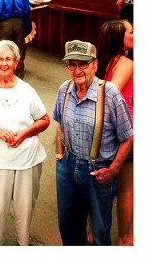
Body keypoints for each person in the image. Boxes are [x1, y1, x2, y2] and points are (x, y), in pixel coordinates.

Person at [52, 39, 133, 246]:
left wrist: (113, 170)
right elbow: (59, 123)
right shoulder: (64, 89)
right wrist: (60, 156)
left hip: (97, 171)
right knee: (68, 227)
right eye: (72, 64)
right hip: (67, 167)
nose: (77, 70)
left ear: (95, 65)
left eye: (83, 64)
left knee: (99, 233)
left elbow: (128, 136)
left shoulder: (110, 93)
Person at [0, 40, 50, 246]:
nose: (4, 63)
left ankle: (22, 245)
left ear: (16, 62)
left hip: (27, 159)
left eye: (8, 59)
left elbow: (44, 119)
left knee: (25, 207)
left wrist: (24, 133)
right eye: (0, 59)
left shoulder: (26, 90)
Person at [97, 20, 134, 246]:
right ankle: (124, 238)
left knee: (96, 183)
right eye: (131, 31)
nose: (136, 34)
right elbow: (112, 94)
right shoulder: (127, 63)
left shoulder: (101, 62)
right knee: (127, 187)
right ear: (120, 38)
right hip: (123, 129)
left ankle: (93, 233)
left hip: (101, 129)